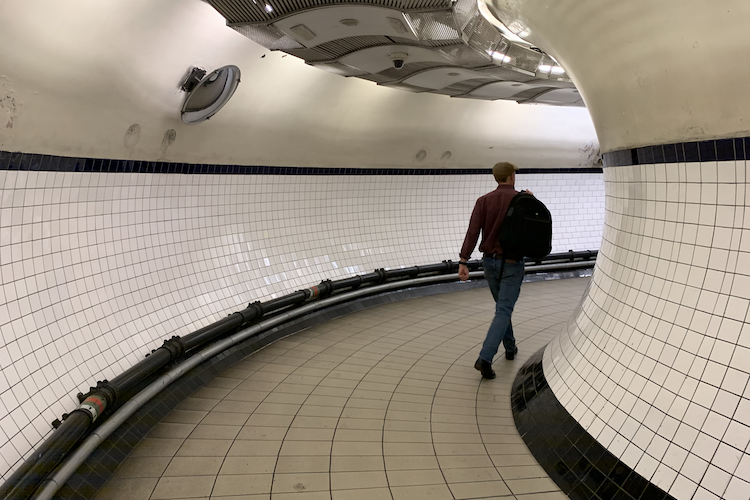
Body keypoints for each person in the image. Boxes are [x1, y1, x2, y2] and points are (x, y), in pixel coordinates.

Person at [458, 162, 533, 379]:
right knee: (504, 310)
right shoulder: (522, 200)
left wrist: (463, 261)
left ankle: (510, 348)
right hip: (512, 263)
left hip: (489, 263)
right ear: (511, 177)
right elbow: (533, 230)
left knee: (502, 307)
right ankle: (485, 358)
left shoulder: (483, 201)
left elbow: (472, 232)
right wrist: (531, 201)